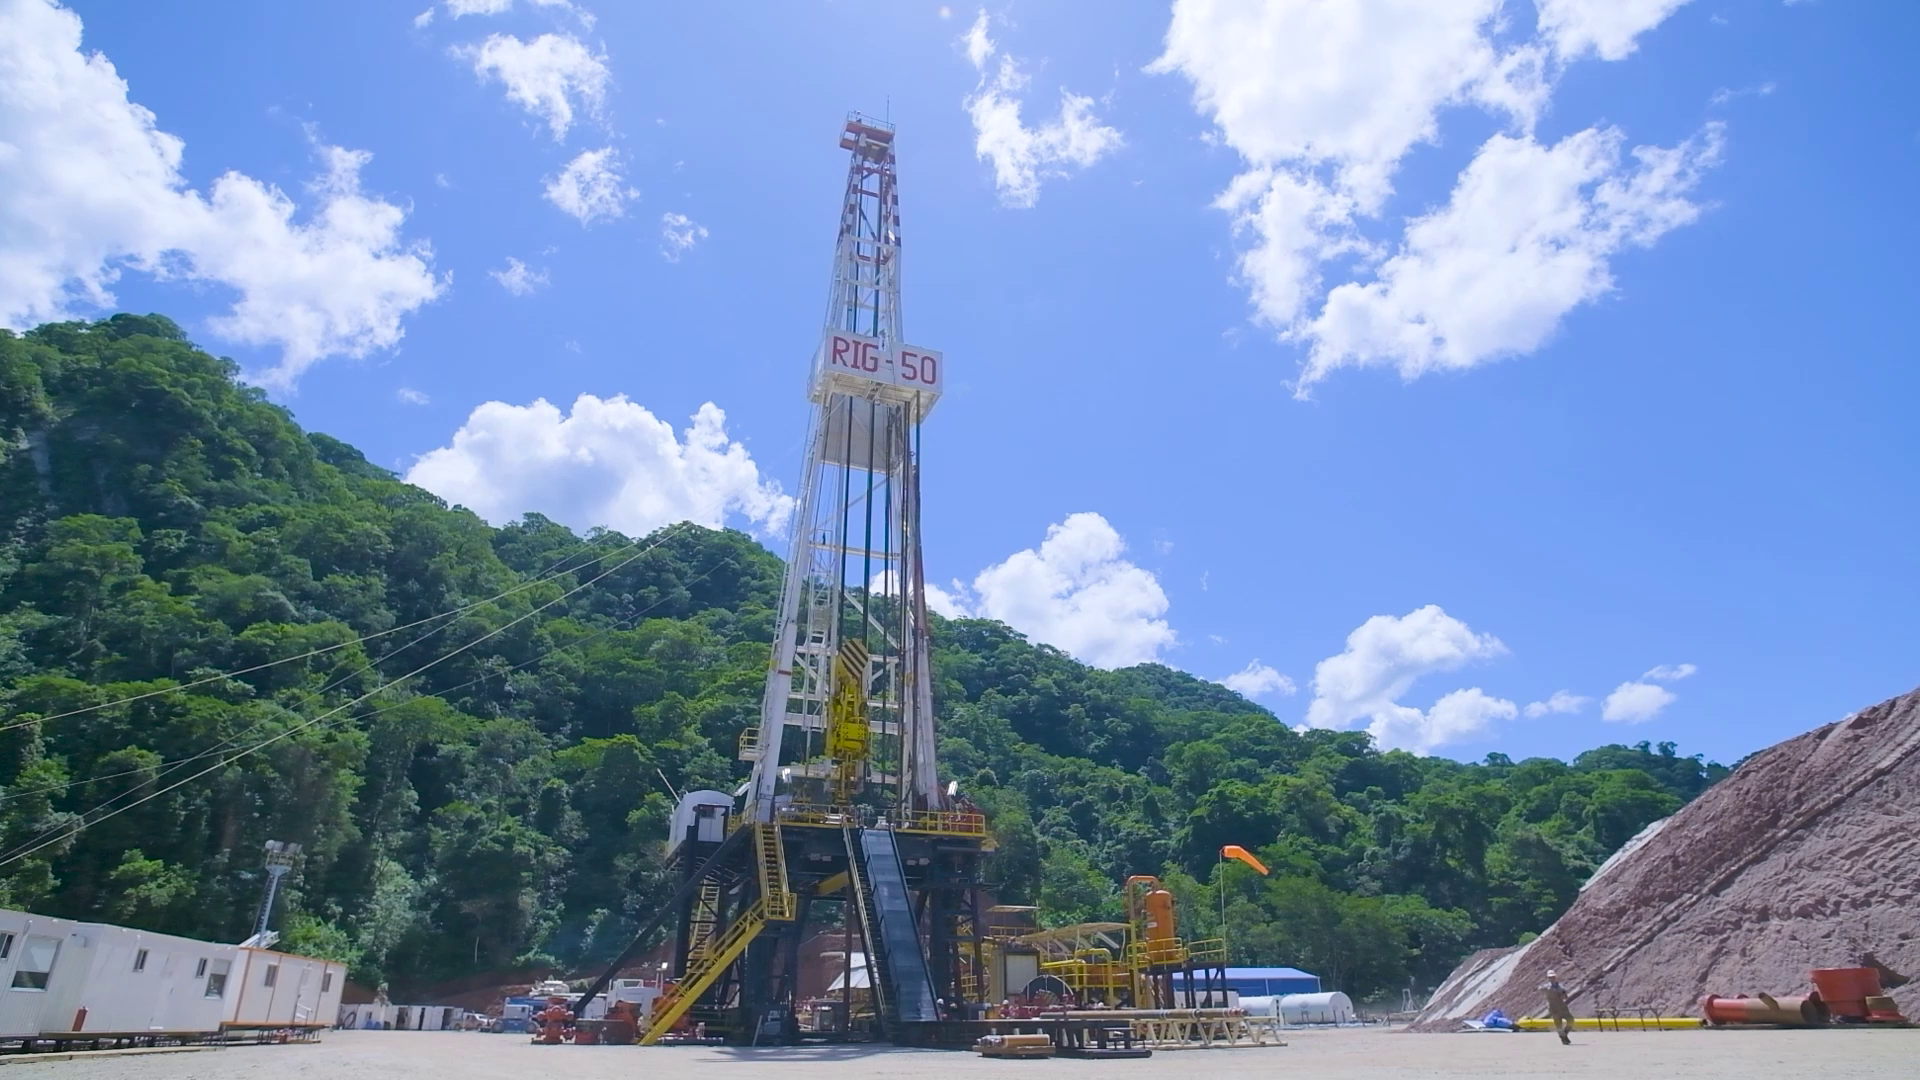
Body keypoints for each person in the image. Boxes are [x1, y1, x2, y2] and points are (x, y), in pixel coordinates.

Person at [1540, 970, 1574, 1044]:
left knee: (1571, 1020)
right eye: (1550, 977)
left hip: (1563, 1007)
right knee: (1558, 1024)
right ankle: (1563, 1039)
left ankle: (1564, 1033)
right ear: (1548, 978)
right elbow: (1540, 989)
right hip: (1554, 1008)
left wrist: (1563, 994)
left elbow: (1565, 996)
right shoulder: (1546, 987)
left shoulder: (1560, 986)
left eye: (1553, 977)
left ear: (1555, 977)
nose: (1552, 979)